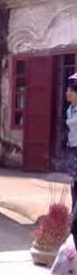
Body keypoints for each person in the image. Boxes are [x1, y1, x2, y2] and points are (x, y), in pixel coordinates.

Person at [65, 72, 77, 210]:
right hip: (72, 146)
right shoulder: (70, 109)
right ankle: (74, 209)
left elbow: (71, 123)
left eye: (70, 91)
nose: (67, 93)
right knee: (73, 181)